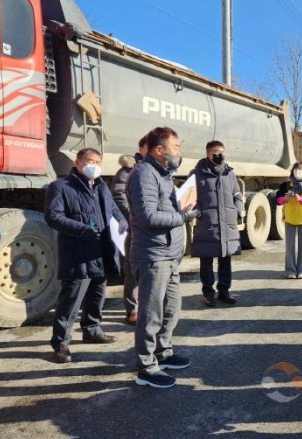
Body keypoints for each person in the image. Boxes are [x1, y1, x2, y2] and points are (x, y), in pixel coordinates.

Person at [45, 148, 127, 364]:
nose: (95, 165)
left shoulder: (101, 186)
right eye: (90, 161)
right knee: (71, 300)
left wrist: (122, 221)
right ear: (78, 162)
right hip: (77, 253)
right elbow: (54, 217)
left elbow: (112, 210)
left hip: (101, 251)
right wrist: (81, 229)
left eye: (98, 162)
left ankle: (92, 329)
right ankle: (60, 343)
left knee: (97, 295)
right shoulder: (61, 187)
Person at [127, 126, 195, 388]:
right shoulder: (144, 174)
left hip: (170, 254)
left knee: (171, 308)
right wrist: (183, 217)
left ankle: (163, 352)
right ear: (159, 150)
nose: (179, 152)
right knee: (151, 313)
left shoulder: (163, 174)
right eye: (176, 147)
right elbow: (148, 217)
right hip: (153, 255)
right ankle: (146, 366)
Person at [190, 140, 243, 306]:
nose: (219, 155)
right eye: (215, 152)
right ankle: (208, 293)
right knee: (206, 261)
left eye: (221, 151)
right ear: (207, 153)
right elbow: (190, 199)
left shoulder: (229, 173)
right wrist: (199, 213)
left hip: (227, 223)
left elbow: (237, 194)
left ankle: (224, 291)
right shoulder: (196, 173)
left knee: (225, 260)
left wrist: (237, 209)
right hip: (207, 224)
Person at [110, 135, 147, 325]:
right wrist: (134, 214)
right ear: (141, 149)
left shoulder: (159, 168)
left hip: (152, 228)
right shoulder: (129, 170)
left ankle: (147, 307)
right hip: (136, 227)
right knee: (132, 271)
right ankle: (132, 310)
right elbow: (118, 193)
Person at [276, 162, 302, 279]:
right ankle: (291, 270)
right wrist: (285, 198)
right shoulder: (286, 184)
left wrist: (301, 199)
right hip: (289, 218)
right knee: (290, 246)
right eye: (295, 170)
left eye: (300, 170)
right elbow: (277, 200)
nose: (297, 172)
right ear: (292, 171)